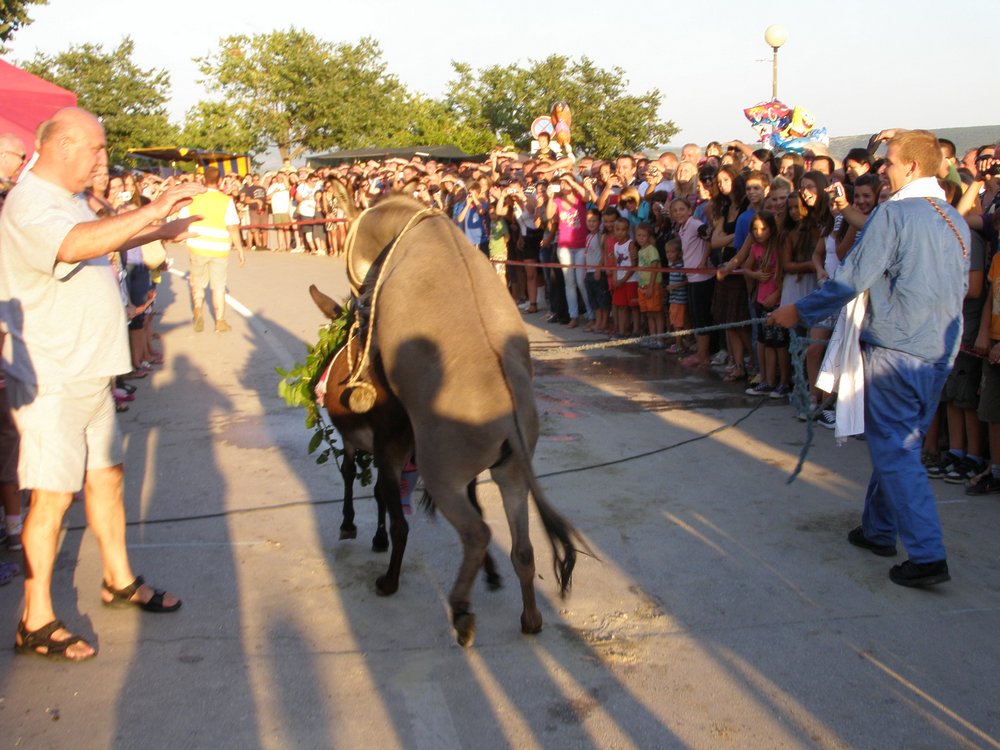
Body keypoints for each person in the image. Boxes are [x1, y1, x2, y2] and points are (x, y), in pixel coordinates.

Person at [0, 107, 201, 660]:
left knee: (106, 479)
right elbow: (71, 246)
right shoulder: (30, 203)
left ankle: (118, 579)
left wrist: (162, 227)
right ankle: (34, 618)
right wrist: (154, 206)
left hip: (88, 373)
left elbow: (96, 238)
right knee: (51, 498)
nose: (100, 158)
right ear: (63, 145)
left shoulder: (64, 201)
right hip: (53, 379)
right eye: (95, 148)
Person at [769, 130, 970, 588]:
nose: (885, 170)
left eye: (891, 163)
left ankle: (927, 554)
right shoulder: (955, 220)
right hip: (937, 351)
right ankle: (880, 529)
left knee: (895, 448)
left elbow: (850, 280)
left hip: (898, 349)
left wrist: (797, 311)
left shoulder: (893, 215)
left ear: (913, 168)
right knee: (899, 443)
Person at [180, 166, 246, 333]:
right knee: (218, 286)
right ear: (219, 180)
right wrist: (239, 249)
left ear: (204, 179)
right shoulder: (226, 200)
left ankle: (198, 309)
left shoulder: (194, 199)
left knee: (198, 283)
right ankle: (220, 321)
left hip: (197, 245)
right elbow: (232, 226)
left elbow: (182, 220)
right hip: (219, 248)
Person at [635, 222, 665, 347]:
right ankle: (653, 337)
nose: (641, 238)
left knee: (656, 313)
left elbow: (654, 268)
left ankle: (660, 338)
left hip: (652, 285)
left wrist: (651, 286)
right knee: (648, 313)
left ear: (649, 236)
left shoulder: (652, 250)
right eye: (638, 235)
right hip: (642, 286)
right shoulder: (640, 251)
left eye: (644, 236)